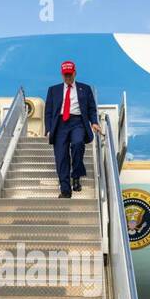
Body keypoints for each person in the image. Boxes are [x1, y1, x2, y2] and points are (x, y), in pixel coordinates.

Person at [43, 60, 100, 198]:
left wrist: (94, 122)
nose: (67, 77)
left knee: (78, 143)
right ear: (62, 75)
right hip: (60, 124)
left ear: (75, 73)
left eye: (70, 74)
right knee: (61, 157)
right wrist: (49, 128)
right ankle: (65, 190)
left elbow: (91, 108)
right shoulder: (53, 90)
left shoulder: (85, 89)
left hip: (77, 122)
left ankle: (76, 175)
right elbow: (48, 111)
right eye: (65, 75)